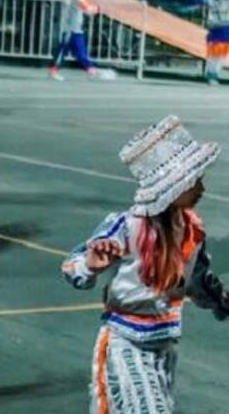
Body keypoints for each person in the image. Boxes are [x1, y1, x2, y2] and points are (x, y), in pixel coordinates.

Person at [61, 115, 228, 414]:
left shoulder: (192, 230)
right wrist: (90, 265)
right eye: (195, 181)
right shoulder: (126, 226)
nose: (202, 187)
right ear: (175, 188)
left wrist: (222, 303)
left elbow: (198, 282)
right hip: (125, 340)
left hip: (165, 341)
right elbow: (73, 267)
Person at [48, 0, 115, 81]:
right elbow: (88, 9)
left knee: (77, 51)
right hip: (71, 30)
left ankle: (90, 70)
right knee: (64, 51)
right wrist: (99, 8)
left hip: (75, 29)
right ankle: (54, 70)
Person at [204, 0, 229, 85]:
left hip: (220, 20)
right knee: (218, 47)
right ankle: (212, 73)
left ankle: (212, 72)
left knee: (219, 48)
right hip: (220, 20)